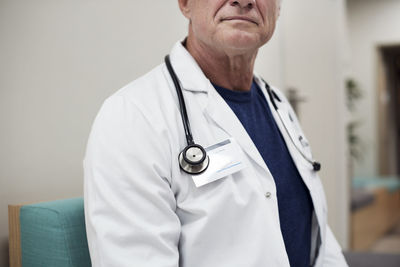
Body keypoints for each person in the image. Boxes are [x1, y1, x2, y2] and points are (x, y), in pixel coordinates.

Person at [84, 0, 349, 266]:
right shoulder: (133, 117)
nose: (244, 1)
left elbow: (318, 235)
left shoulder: (277, 102)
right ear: (185, 4)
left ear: (277, 8)